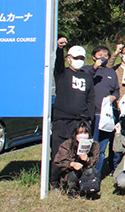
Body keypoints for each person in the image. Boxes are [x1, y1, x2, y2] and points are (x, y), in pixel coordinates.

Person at [51, 38, 95, 188]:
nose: (78, 61)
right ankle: (54, 181)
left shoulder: (87, 77)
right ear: (69, 59)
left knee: (78, 152)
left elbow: (91, 99)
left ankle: (74, 182)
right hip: (62, 120)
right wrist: (59, 49)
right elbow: (58, 65)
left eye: (81, 58)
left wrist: (89, 118)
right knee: (59, 151)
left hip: (80, 122)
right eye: (76, 58)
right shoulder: (62, 74)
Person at [83, 45, 119, 178]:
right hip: (91, 114)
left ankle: (96, 174)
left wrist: (113, 97)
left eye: (105, 55)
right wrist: (94, 67)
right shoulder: (86, 69)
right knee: (88, 145)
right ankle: (86, 172)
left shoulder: (111, 72)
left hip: (105, 115)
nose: (103, 58)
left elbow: (116, 91)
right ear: (94, 57)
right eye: (100, 55)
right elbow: (84, 81)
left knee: (102, 147)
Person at [53, 121, 100, 197]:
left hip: (85, 170)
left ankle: (88, 189)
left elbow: (95, 160)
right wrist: (71, 164)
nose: (83, 135)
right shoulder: (67, 144)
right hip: (70, 172)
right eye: (80, 133)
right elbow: (58, 160)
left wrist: (88, 160)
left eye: (85, 133)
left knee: (92, 171)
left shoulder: (94, 145)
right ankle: (72, 190)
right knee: (73, 174)